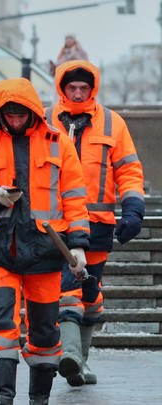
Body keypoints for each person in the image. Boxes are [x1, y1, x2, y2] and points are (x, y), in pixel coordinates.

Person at [0, 78, 91, 405]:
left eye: (20, 115)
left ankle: (39, 398)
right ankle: (3, 394)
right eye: (9, 116)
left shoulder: (58, 142)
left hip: (45, 252)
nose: (15, 121)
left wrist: (78, 244)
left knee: (45, 330)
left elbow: (74, 197)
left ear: (32, 112)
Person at [45, 61, 145, 387]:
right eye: (71, 88)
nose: (77, 93)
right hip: (55, 223)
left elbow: (128, 171)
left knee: (90, 291)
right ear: (62, 88)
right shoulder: (44, 120)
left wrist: (133, 210)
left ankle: (80, 362)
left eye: (83, 88)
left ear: (92, 89)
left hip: (97, 223)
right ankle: (70, 354)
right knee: (67, 289)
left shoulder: (112, 123)